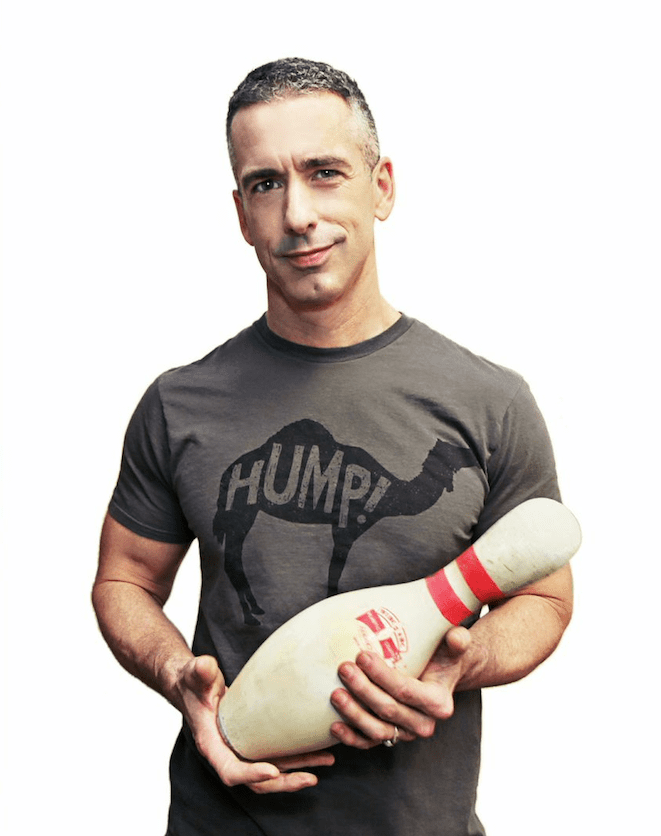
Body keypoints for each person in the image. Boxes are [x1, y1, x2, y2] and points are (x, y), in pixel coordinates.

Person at [92, 58, 573, 836]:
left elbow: (544, 599)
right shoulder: (178, 405)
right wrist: (179, 675)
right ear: (241, 214)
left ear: (380, 186)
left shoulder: (488, 402)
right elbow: (124, 580)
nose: (297, 215)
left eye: (324, 172)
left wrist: (458, 662)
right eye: (264, 184)